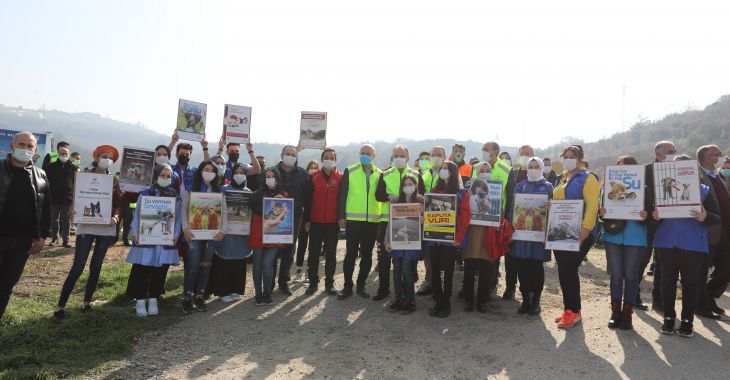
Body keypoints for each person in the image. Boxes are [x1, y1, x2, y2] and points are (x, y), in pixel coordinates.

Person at [54, 144, 123, 324]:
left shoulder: (114, 181)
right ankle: (60, 306)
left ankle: (86, 303)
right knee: (77, 267)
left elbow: (119, 204)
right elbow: (76, 198)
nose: (106, 159)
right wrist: (71, 209)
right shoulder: (84, 175)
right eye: (104, 156)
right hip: (86, 227)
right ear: (97, 157)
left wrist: (115, 218)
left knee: (96, 267)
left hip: (105, 228)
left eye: (110, 157)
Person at [654, 154, 719, 337]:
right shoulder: (663, 188)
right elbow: (654, 219)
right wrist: (655, 216)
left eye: (685, 168)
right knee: (667, 282)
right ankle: (668, 318)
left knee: (690, 284)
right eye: (675, 167)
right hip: (666, 242)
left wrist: (705, 216)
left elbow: (716, 218)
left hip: (693, 245)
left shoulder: (704, 190)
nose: (680, 171)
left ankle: (687, 321)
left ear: (693, 170)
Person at [0, 132, 49, 321]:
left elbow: (45, 210)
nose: (26, 149)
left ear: (35, 150)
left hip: (22, 243)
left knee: (7, 284)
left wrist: (42, 236)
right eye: (22, 144)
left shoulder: (41, 175)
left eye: (30, 146)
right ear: (12, 147)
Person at [552, 144, 599, 328]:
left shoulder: (588, 178)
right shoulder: (563, 176)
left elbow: (593, 206)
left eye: (571, 156)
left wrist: (585, 230)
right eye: (565, 156)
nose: (567, 159)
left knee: (569, 269)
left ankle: (574, 311)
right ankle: (569, 309)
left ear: (580, 159)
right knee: (564, 270)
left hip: (579, 232)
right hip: (560, 231)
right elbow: (558, 201)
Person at [599, 155, 649, 330]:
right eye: (620, 166)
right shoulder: (607, 189)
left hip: (635, 237)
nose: (623, 170)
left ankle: (627, 314)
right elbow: (601, 214)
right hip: (612, 236)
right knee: (616, 276)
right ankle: (615, 313)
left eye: (627, 167)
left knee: (631, 276)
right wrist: (602, 212)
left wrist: (645, 216)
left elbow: (650, 215)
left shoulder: (644, 189)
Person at [125, 164, 182, 317]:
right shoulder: (145, 193)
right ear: (156, 175)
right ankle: (140, 301)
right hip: (145, 240)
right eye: (162, 175)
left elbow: (177, 220)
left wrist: (176, 234)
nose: (165, 178)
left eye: (168, 176)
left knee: (160, 272)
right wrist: (135, 233)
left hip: (165, 240)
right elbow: (137, 215)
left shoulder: (175, 197)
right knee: (142, 271)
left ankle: (154, 300)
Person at [374, 145, 424, 301]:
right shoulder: (386, 173)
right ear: (392, 157)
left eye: (402, 156)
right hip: (386, 220)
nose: (399, 158)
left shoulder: (416, 174)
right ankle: (384, 289)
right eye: (396, 156)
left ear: (408, 158)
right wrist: (389, 196)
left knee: (408, 258)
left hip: (410, 221)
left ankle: (406, 288)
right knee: (384, 256)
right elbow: (378, 195)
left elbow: (421, 194)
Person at [507, 157, 553, 316]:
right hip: (521, 234)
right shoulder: (520, 185)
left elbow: (555, 211)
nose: (533, 169)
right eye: (530, 166)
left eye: (536, 166)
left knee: (536, 267)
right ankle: (525, 299)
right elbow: (513, 208)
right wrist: (512, 226)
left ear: (541, 168)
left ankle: (536, 301)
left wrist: (551, 207)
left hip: (539, 236)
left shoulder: (547, 187)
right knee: (522, 267)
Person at [338, 144, 383, 300]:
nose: (365, 155)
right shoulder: (350, 170)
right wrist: (341, 216)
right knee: (350, 254)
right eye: (362, 153)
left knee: (367, 255)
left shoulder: (380, 173)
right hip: (353, 220)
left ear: (373, 156)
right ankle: (347, 286)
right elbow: (342, 194)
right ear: (359, 154)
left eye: (368, 153)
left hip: (372, 221)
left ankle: (361, 285)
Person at [180, 160, 225, 314]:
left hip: (212, 235)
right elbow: (184, 210)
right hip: (193, 234)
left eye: (212, 170)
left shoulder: (219, 191)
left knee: (206, 266)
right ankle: (186, 298)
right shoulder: (191, 189)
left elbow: (224, 213)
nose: (209, 172)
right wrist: (185, 229)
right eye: (206, 169)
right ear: (200, 171)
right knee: (192, 267)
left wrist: (222, 231)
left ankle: (199, 296)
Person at [426, 161, 470, 318]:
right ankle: (438, 301)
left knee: (446, 272)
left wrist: (458, 238)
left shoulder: (462, 193)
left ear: (453, 173)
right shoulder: (433, 191)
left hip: (449, 241)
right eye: (442, 169)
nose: (443, 171)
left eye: (446, 169)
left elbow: (465, 218)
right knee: (435, 271)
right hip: (433, 239)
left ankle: (446, 304)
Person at [640, 140, 677, 311]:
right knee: (642, 260)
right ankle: (633, 295)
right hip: (647, 223)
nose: (673, 154)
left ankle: (659, 300)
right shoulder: (644, 171)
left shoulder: (676, 170)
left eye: (675, 151)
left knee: (663, 264)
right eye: (670, 151)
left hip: (668, 223)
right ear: (658, 153)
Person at [207, 163, 251, 303]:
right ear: (232, 174)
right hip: (225, 232)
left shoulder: (249, 192)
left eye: (242, 172)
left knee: (239, 262)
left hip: (241, 234)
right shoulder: (223, 190)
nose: (239, 175)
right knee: (224, 261)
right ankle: (223, 291)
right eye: (237, 172)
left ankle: (235, 289)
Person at [270, 145, 310, 296]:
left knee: (288, 249)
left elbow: (306, 197)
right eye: (287, 153)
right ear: (281, 155)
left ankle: (283, 282)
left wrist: (306, 218)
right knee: (273, 249)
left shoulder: (303, 174)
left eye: (293, 154)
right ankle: (269, 281)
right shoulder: (272, 171)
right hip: (274, 214)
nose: (290, 156)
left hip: (294, 216)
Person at [696, 145, 730, 319]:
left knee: (726, 265)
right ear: (708, 157)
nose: (721, 157)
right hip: (707, 229)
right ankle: (701, 305)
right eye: (718, 154)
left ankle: (710, 295)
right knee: (702, 269)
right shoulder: (697, 176)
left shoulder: (717, 175)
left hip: (724, 229)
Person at [462, 162, 499, 313]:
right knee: (469, 269)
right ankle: (468, 300)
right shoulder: (467, 192)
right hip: (471, 233)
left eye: (487, 170)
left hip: (488, 234)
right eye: (481, 170)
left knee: (486, 269)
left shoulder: (495, 192)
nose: (485, 172)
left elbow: (496, 211)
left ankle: (482, 300)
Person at [384, 173, 423, 314]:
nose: (408, 187)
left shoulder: (421, 201)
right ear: (401, 187)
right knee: (397, 270)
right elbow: (390, 223)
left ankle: (410, 302)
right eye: (405, 185)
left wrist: (423, 218)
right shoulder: (396, 202)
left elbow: (429, 221)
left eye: (410, 184)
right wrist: (387, 241)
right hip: (397, 241)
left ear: (415, 186)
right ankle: (398, 300)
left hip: (413, 242)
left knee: (407, 269)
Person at [304, 149, 342, 296]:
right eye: (326, 157)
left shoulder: (341, 177)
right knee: (313, 254)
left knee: (331, 255)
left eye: (331, 157)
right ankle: (313, 283)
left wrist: (341, 218)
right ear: (321, 159)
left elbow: (342, 200)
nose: (328, 159)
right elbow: (308, 200)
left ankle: (329, 284)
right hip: (316, 222)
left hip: (333, 223)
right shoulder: (313, 177)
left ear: (335, 160)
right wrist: (307, 220)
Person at [249, 168, 287, 306]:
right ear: (263, 179)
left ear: (277, 178)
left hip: (274, 236)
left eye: (272, 176)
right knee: (257, 265)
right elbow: (258, 210)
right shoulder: (255, 195)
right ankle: (258, 294)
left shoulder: (284, 195)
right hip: (258, 234)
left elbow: (287, 216)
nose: (270, 178)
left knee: (267, 264)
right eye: (267, 176)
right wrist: (270, 201)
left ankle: (267, 293)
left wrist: (282, 202)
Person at [501, 145, 534, 300]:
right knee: (510, 256)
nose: (525, 156)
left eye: (528, 154)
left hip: (530, 223)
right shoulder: (512, 174)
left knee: (527, 258)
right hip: (511, 221)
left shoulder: (538, 175)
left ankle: (527, 290)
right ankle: (510, 287)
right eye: (522, 154)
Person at [416, 146, 446, 296]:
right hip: (426, 220)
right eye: (433, 155)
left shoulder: (449, 174)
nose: (435, 157)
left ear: (444, 157)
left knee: (442, 254)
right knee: (428, 253)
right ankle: (429, 282)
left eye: (439, 155)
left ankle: (441, 285)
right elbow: (419, 194)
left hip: (444, 220)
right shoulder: (424, 175)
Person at [294, 159, 321, 283]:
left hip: (316, 219)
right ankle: (298, 272)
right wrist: (305, 221)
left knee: (313, 247)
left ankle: (309, 272)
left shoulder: (320, 182)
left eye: (316, 168)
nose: (313, 170)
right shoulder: (303, 181)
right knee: (302, 245)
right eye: (311, 167)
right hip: (303, 218)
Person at [46, 143, 75, 248]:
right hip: (54, 197)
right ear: (58, 154)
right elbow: (46, 180)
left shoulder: (72, 167)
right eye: (62, 153)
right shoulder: (51, 166)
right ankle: (54, 239)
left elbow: (75, 182)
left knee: (67, 219)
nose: (64, 155)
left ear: (68, 154)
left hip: (68, 197)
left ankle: (66, 241)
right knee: (54, 219)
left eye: (66, 154)